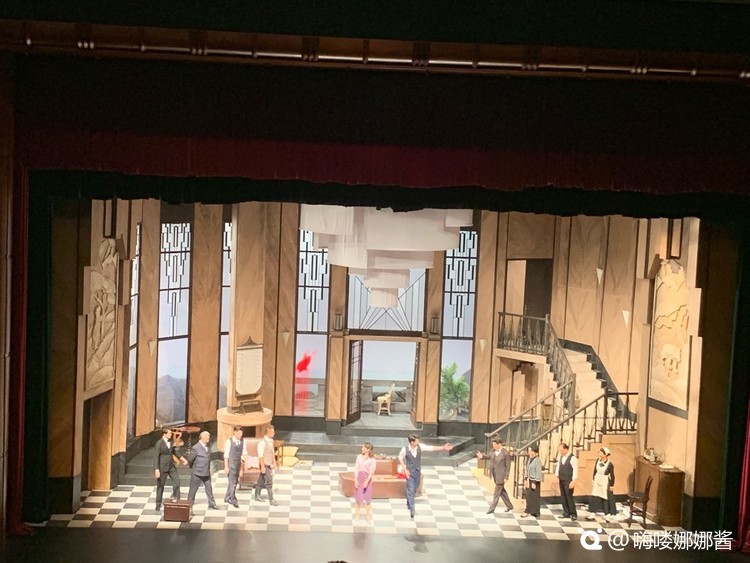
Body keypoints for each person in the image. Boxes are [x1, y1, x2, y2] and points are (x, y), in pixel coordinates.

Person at [398, 434, 453, 518]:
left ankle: (409, 502)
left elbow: (431, 448)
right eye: (417, 441)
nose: (418, 442)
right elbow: (400, 458)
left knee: (415, 488)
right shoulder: (405, 450)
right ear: (412, 442)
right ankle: (412, 509)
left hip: (417, 472)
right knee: (411, 489)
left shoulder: (420, 447)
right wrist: (405, 469)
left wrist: (443, 448)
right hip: (409, 473)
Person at [476, 437, 513, 514]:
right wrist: (482, 456)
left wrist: (506, 477)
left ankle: (492, 508)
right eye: (493, 444)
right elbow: (488, 456)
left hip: (501, 476)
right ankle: (509, 505)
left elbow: (508, 467)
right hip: (495, 474)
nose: (493, 446)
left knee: (496, 492)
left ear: (499, 444)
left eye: (495, 444)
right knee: (501, 491)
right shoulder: (493, 451)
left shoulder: (505, 453)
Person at [153, 427, 187, 511]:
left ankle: (177, 501)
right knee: (160, 486)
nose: (171, 434)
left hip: (171, 466)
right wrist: (156, 469)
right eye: (169, 433)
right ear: (164, 434)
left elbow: (174, 451)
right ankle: (158, 504)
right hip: (162, 467)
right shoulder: (159, 443)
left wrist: (182, 459)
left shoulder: (171, 441)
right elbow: (156, 457)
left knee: (177, 482)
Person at [187, 430, 217, 509]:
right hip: (197, 473)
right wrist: (194, 468)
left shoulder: (208, 447)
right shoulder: (195, 448)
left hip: (206, 472)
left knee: (209, 489)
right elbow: (190, 459)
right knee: (193, 490)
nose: (208, 439)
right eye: (207, 438)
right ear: (203, 438)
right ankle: (189, 505)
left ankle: (212, 503)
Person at [587, 446, 617, 522]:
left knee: (605, 498)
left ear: (605, 454)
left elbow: (612, 475)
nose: (599, 453)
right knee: (595, 496)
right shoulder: (597, 461)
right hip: (597, 479)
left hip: (604, 481)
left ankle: (607, 514)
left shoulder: (609, 464)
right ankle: (592, 513)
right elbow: (595, 471)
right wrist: (593, 479)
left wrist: (612, 485)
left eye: (601, 452)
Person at [255, 425, 279, 506]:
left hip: (268, 463)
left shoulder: (271, 441)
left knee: (261, 480)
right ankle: (271, 499)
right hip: (264, 464)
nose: (274, 433)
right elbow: (260, 456)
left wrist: (274, 462)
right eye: (272, 432)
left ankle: (257, 495)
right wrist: (262, 466)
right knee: (269, 481)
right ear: (268, 432)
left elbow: (272, 452)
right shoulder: (262, 443)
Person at [353, 442, 376, 523]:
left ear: (368, 450)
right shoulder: (359, 457)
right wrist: (355, 479)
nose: (361, 449)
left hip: (367, 479)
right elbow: (356, 468)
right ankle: (357, 515)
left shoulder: (372, 460)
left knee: (367, 499)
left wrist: (366, 481)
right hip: (359, 477)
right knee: (358, 498)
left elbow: (371, 472)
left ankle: (368, 516)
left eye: (363, 447)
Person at [556, 442, 578, 521]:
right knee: (563, 496)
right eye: (560, 451)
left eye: (562, 450)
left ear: (566, 449)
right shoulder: (561, 457)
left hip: (568, 480)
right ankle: (566, 512)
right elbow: (558, 465)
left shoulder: (572, 458)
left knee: (569, 497)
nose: (560, 452)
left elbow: (575, 469)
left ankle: (573, 514)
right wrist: (557, 474)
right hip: (561, 479)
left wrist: (573, 480)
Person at [223, 425, 245, 508]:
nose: (240, 435)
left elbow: (243, 455)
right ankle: (233, 499)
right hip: (231, 465)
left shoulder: (243, 441)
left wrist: (242, 469)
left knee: (234, 481)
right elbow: (226, 456)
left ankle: (227, 497)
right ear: (234, 432)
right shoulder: (229, 442)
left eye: (241, 433)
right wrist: (226, 467)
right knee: (233, 483)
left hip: (238, 464)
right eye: (239, 433)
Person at [521, 445, 542, 518]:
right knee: (528, 496)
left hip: (535, 481)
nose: (529, 452)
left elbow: (538, 473)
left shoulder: (537, 461)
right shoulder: (529, 459)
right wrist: (525, 479)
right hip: (529, 480)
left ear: (534, 452)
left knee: (534, 496)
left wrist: (534, 482)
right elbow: (527, 470)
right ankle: (528, 510)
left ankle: (534, 511)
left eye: (531, 451)